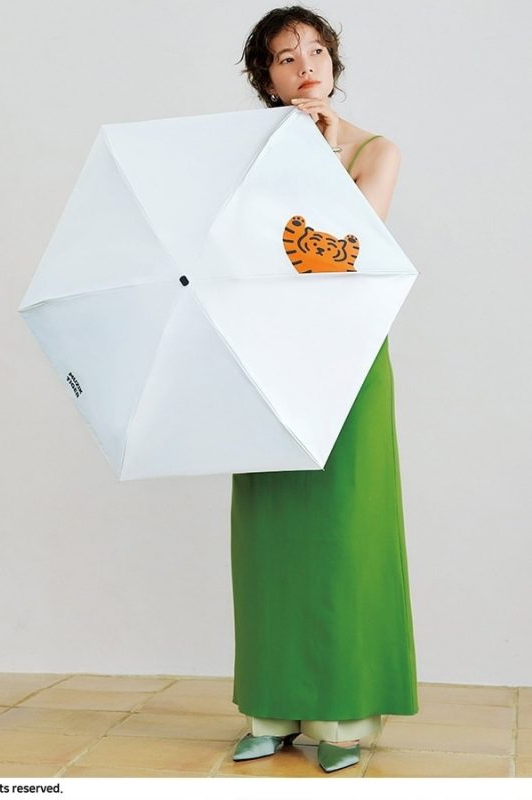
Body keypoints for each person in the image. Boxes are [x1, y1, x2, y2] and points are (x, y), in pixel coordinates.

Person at [230, 5, 418, 773]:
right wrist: (279, 165)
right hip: (267, 351)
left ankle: (343, 716)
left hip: (346, 353)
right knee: (269, 528)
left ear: (333, 65)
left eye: (315, 50)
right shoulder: (247, 157)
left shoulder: (375, 150)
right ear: (266, 80)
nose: (305, 64)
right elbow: (236, 249)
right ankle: (269, 708)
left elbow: (348, 251)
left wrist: (320, 157)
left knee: (345, 526)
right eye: (285, 57)